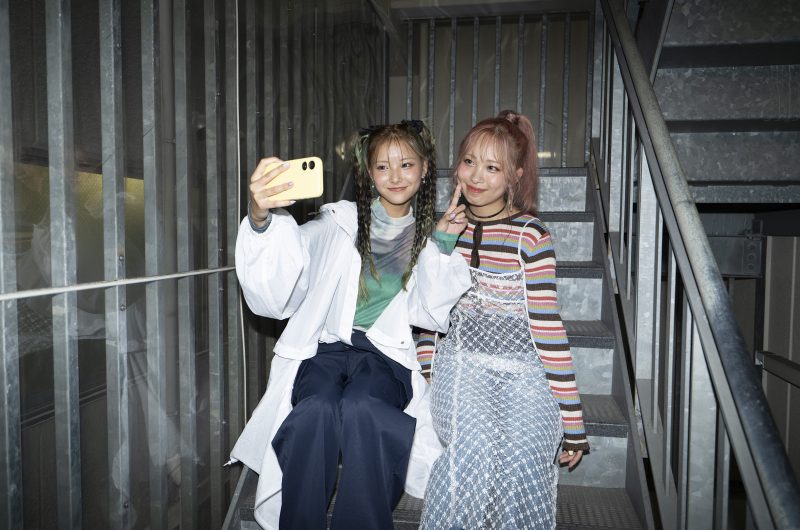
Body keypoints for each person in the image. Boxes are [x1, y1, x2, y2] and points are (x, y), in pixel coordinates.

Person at [228, 120, 471, 530]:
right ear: (369, 173)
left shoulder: (429, 236)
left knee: (365, 407)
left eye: (406, 164)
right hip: (326, 349)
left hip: (384, 357)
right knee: (315, 409)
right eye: (382, 167)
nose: (395, 176)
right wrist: (260, 216)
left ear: (425, 168)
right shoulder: (341, 222)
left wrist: (443, 243)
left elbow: (428, 314)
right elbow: (294, 255)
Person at [417, 110, 590, 530]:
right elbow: (426, 308)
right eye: (469, 161)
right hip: (461, 365)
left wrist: (573, 419)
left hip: (526, 369)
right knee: (474, 449)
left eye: (492, 167)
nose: (476, 176)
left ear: (515, 175)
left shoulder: (531, 236)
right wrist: (427, 366)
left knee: (525, 453)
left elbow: (547, 328)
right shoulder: (445, 229)